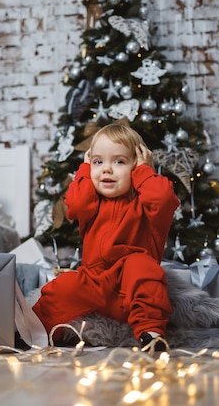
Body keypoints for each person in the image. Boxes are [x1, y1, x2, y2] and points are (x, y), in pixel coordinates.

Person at [32, 123, 180, 351]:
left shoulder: (146, 203)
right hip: (95, 282)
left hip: (131, 288)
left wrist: (145, 172)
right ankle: (33, 329)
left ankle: (150, 333)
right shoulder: (92, 201)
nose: (106, 169)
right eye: (98, 162)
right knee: (63, 286)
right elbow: (76, 204)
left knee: (143, 268)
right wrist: (84, 169)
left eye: (119, 161)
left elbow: (164, 200)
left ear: (137, 166)